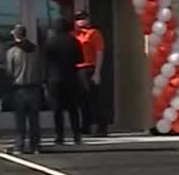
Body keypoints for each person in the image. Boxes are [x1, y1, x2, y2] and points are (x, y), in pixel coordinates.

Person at [6, 24, 47, 154]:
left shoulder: (12, 52)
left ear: (15, 35)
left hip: (19, 89)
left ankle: (20, 145)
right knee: (34, 119)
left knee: (20, 119)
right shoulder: (36, 50)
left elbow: (9, 72)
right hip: (35, 88)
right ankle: (36, 145)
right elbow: (42, 68)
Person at [45, 17, 85, 145]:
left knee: (57, 109)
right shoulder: (74, 42)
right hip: (71, 78)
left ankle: (59, 136)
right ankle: (76, 135)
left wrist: (44, 78)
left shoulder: (50, 42)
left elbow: (44, 61)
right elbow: (80, 60)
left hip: (54, 79)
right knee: (73, 108)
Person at [74, 11, 107, 137]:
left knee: (95, 99)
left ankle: (101, 127)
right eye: (78, 19)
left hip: (90, 68)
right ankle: (85, 126)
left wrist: (97, 72)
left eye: (83, 18)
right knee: (82, 100)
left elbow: (99, 52)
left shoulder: (93, 33)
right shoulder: (75, 35)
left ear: (87, 19)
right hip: (78, 70)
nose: (81, 21)